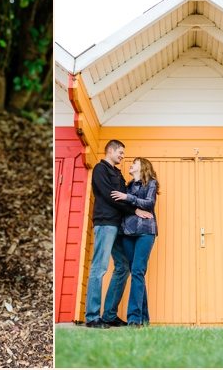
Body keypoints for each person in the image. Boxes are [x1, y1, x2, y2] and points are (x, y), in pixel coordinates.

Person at [84, 140, 153, 329]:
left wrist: (134, 207)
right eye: (121, 152)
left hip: (118, 227)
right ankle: (92, 317)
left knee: (123, 267)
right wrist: (134, 211)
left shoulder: (118, 174)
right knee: (99, 268)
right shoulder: (101, 169)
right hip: (105, 223)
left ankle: (109, 315)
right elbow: (109, 195)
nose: (123, 156)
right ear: (111, 150)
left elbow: (125, 196)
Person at [112, 157, 159, 327]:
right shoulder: (128, 186)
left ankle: (133, 319)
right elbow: (123, 206)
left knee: (138, 272)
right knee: (136, 273)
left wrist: (128, 197)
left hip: (146, 232)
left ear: (143, 166)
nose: (131, 165)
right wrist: (127, 197)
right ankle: (144, 319)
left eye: (135, 162)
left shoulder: (151, 183)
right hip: (127, 232)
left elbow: (149, 203)